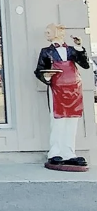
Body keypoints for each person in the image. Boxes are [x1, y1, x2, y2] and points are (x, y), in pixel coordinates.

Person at [34, 23, 90, 170]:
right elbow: (39, 70)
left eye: (49, 31)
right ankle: (55, 152)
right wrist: (46, 77)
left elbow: (85, 64)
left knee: (72, 121)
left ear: (58, 33)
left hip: (74, 89)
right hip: (57, 90)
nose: (46, 33)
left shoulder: (72, 51)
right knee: (58, 120)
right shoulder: (46, 52)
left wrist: (79, 47)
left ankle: (69, 152)